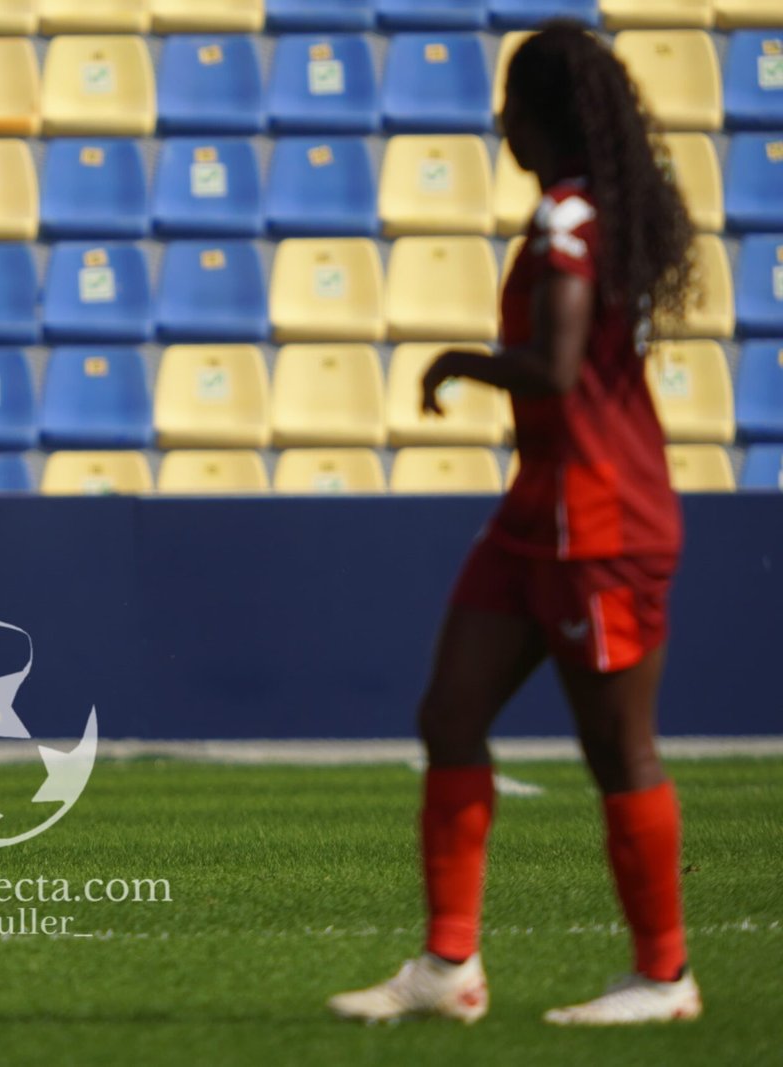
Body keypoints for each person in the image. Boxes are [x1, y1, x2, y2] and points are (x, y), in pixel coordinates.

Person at [328, 24, 700, 1026]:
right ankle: (448, 967)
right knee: (449, 712)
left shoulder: (573, 218)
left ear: (541, 115)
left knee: (617, 747)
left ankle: (663, 977)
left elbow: (556, 366)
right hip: (540, 510)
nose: (498, 121)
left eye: (509, 103)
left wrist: (458, 362)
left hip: (601, 518)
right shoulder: (569, 212)